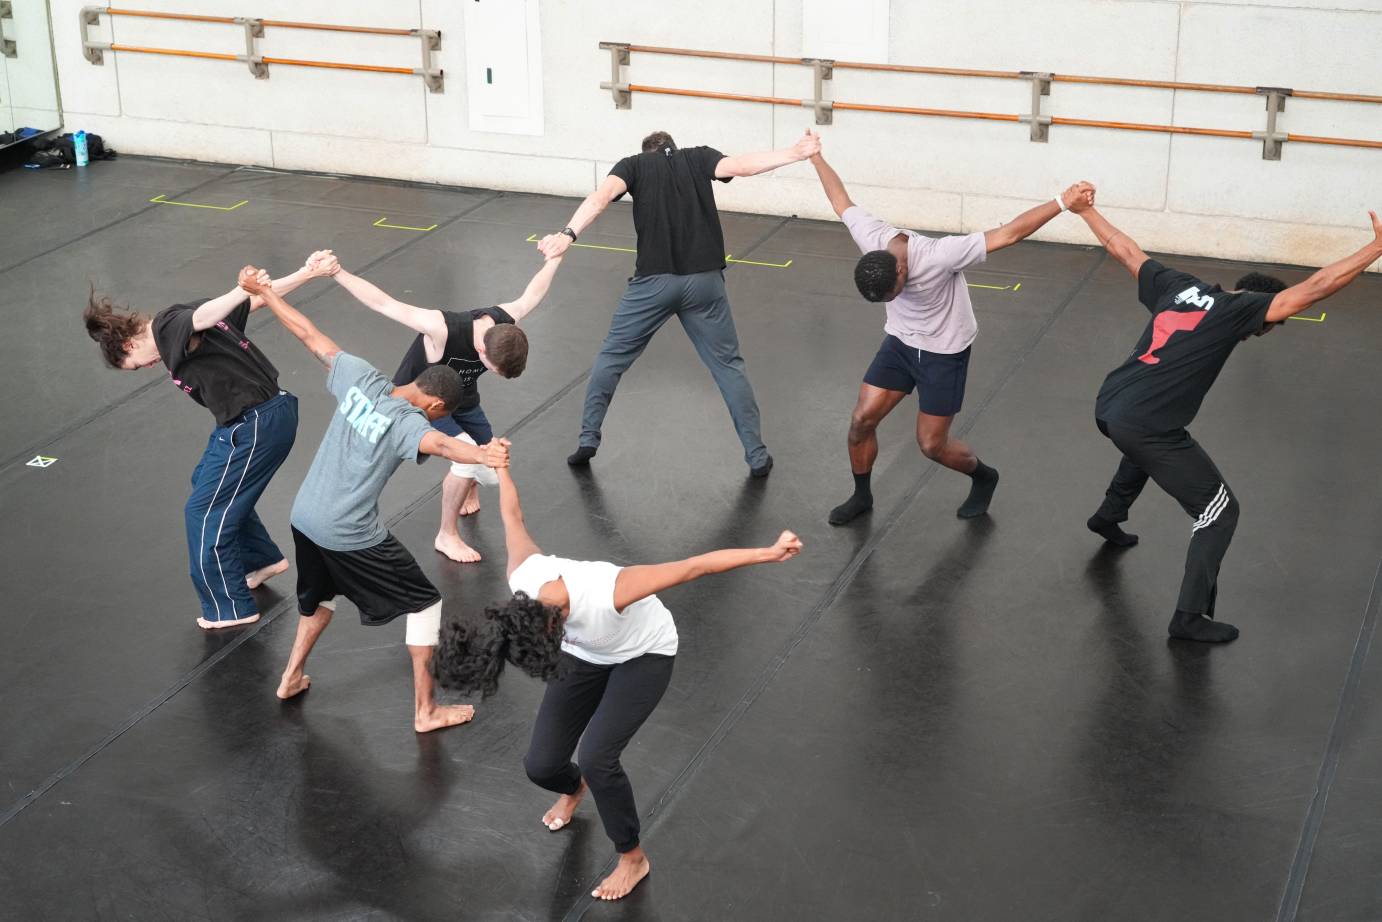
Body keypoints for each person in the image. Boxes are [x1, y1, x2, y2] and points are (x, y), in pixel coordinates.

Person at [431, 467, 803, 900]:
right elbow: (512, 516)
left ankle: (633, 858)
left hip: (643, 654)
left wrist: (769, 553)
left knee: (597, 757)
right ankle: (574, 789)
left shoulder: (610, 590)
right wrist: (502, 469)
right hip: (588, 653)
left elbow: (693, 567)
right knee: (542, 766)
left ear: (557, 624)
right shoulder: (525, 578)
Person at [1076, 200, 1382, 643]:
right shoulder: (1241, 312)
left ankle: (1108, 515)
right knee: (1219, 513)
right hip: (1143, 421)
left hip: (1111, 402)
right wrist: (1376, 248)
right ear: (1261, 314)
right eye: (1269, 325)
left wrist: (1084, 211)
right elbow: (1316, 287)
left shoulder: (1179, 285)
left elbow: (1124, 249)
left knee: (1153, 449)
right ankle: (1189, 617)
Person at [235, 267, 510, 731]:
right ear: (437, 407)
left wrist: (263, 291)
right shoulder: (412, 426)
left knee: (320, 599)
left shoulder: (361, 378)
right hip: (348, 532)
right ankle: (425, 711)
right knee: (425, 604)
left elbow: (310, 335)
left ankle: (291, 675)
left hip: (304, 516)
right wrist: (483, 452)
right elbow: (445, 446)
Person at [809, 142, 1092, 523]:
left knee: (931, 445)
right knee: (861, 421)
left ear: (902, 272)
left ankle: (984, 477)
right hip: (900, 344)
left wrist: (1062, 201)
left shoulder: (941, 255)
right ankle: (862, 495)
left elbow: (1007, 234)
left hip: (944, 351)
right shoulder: (871, 239)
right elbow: (839, 199)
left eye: (894, 292)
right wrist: (814, 156)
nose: (897, 296)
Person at [537, 128, 824, 477]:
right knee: (728, 367)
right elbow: (743, 166)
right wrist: (795, 153)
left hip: (653, 285)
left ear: (647, 152)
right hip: (705, 284)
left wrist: (567, 235)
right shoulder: (698, 156)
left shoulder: (634, 165)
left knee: (610, 360)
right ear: (673, 147)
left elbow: (599, 198)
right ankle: (757, 454)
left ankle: (587, 440)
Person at [82, 255, 335, 629]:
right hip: (252, 420)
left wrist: (239, 287)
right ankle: (261, 559)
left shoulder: (167, 326)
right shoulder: (181, 323)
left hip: (257, 425)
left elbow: (207, 315)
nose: (149, 368)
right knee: (205, 482)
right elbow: (257, 299)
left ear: (130, 344)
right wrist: (306, 273)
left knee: (203, 514)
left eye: (136, 366)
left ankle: (230, 608)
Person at [322, 250, 563, 563]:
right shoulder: (443, 328)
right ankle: (446, 535)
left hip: (462, 399)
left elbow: (533, 293)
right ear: (481, 349)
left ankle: (470, 485)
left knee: (491, 470)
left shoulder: (504, 321)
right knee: (467, 459)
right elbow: (385, 304)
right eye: (492, 369)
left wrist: (557, 255)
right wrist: (336, 271)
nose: (492, 372)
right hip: (423, 402)